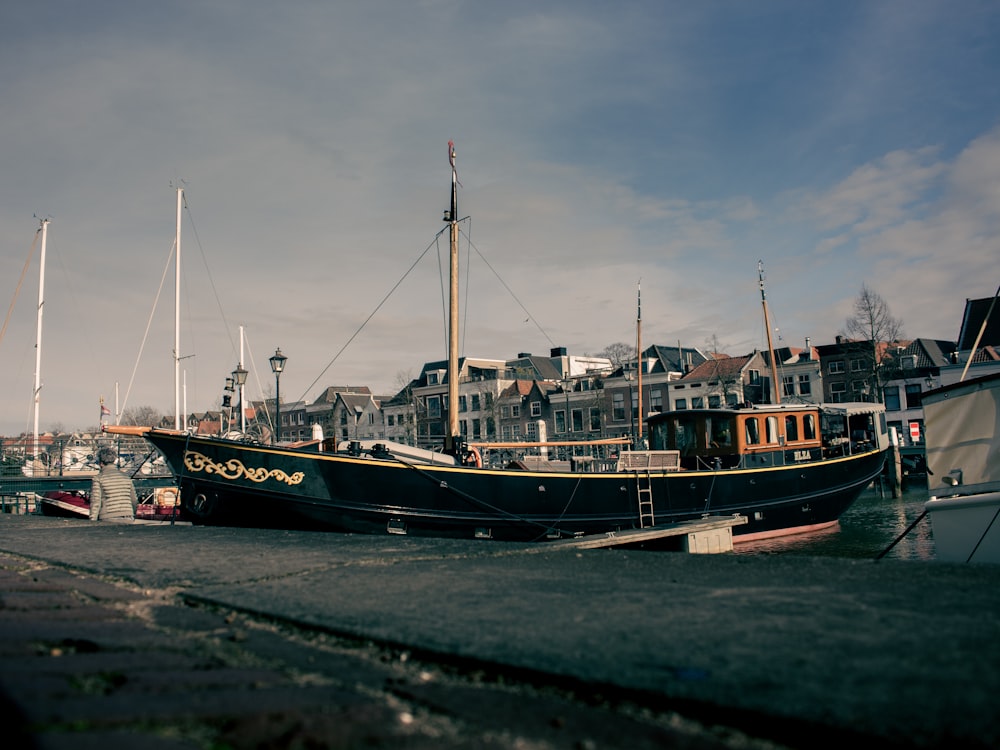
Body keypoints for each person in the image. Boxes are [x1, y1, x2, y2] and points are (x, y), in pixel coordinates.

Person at [89, 446, 138, 522]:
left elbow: (96, 502)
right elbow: (134, 500)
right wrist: (132, 513)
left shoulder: (98, 478)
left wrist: (92, 520)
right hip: (128, 516)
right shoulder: (126, 477)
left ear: (101, 463)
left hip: (108, 516)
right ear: (114, 461)